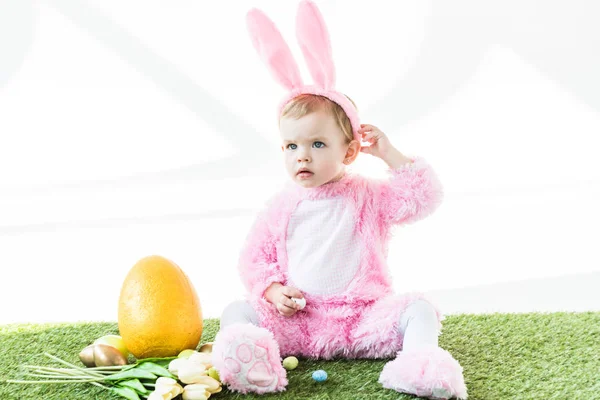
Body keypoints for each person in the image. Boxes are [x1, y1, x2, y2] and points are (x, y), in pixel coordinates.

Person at [211, 2, 467, 399]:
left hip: (359, 320)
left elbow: (423, 199)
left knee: (419, 309)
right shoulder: (281, 206)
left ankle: (419, 367)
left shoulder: (367, 195)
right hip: (296, 320)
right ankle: (252, 363)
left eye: (317, 143)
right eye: (291, 145)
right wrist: (273, 292)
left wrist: (391, 156)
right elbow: (253, 260)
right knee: (237, 311)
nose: (302, 155)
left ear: (348, 152)